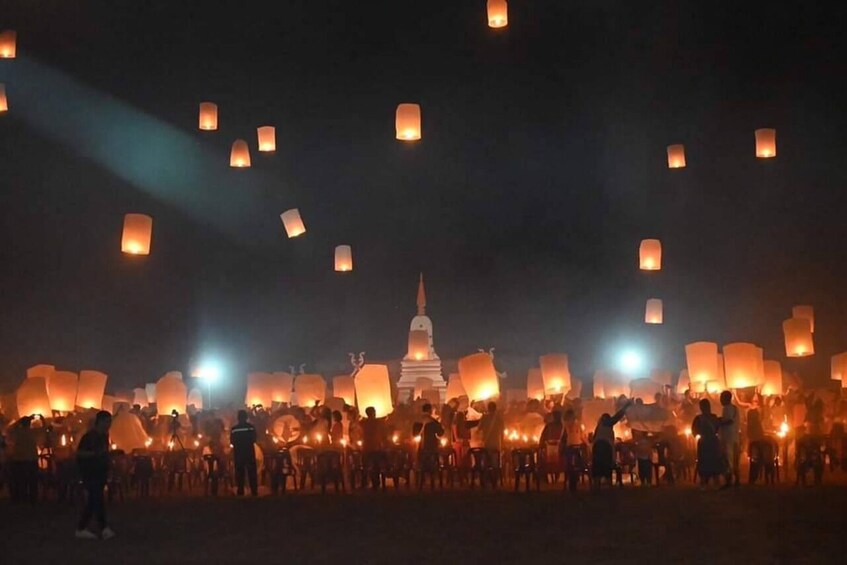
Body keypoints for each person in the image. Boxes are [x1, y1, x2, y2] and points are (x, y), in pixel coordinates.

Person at [76, 411, 115, 539]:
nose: (109, 425)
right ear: (100, 422)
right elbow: (80, 453)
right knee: (95, 499)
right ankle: (86, 528)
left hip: (100, 472)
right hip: (90, 472)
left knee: (96, 500)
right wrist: (95, 454)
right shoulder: (89, 437)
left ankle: (100, 528)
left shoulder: (104, 436)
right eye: (107, 422)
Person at [692, 399, 732, 489]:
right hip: (713, 442)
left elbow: (694, 431)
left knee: (706, 462)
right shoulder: (713, 418)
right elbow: (719, 425)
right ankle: (714, 483)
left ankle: (705, 483)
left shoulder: (699, 419)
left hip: (704, 442)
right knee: (713, 461)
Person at [592, 400, 632, 486]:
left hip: (597, 446)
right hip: (604, 446)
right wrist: (625, 407)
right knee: (606, 465)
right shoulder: (606, 423)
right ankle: (607, 484)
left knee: (598, 466)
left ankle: (597, 485)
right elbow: (616, 417)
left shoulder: (599, 427)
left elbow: (593, 438)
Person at [8, 416, 39, 504]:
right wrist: (41, 418)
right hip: (31, 459)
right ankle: (33, 499)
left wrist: (18, 421)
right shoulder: (34, 432)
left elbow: (9, 430)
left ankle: (22, 498)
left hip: (20, 459)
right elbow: (44, 429)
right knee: (32, 480)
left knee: (21, 480)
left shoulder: (17, 432)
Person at [230, 410, 258, 496]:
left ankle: (240, 490)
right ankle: (254, 491)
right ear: (246, 417)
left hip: (238, 453)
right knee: (252, 473)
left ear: (238, 418)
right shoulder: (251, 427)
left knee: (239, 473)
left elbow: (232, 441)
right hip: (249, 452)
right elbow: (254, 439)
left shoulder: (234, 429)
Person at [360, 406, 386, 490]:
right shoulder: (378, 422)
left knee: (366, 465)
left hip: (367, 447)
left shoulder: (363, 423)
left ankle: (365, 482)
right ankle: (376, 483)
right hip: (375, 447)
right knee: (376, 466)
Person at [719, 391, 740, 487]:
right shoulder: (735, 408)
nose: (720, 400)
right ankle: (736, 480)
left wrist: (719, 423)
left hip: (728, 438)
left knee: (728, 459)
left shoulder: (727, 408)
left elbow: (729, 421)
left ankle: (728, 481)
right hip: (735, 437)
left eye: (721, 398)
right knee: (734, 459)